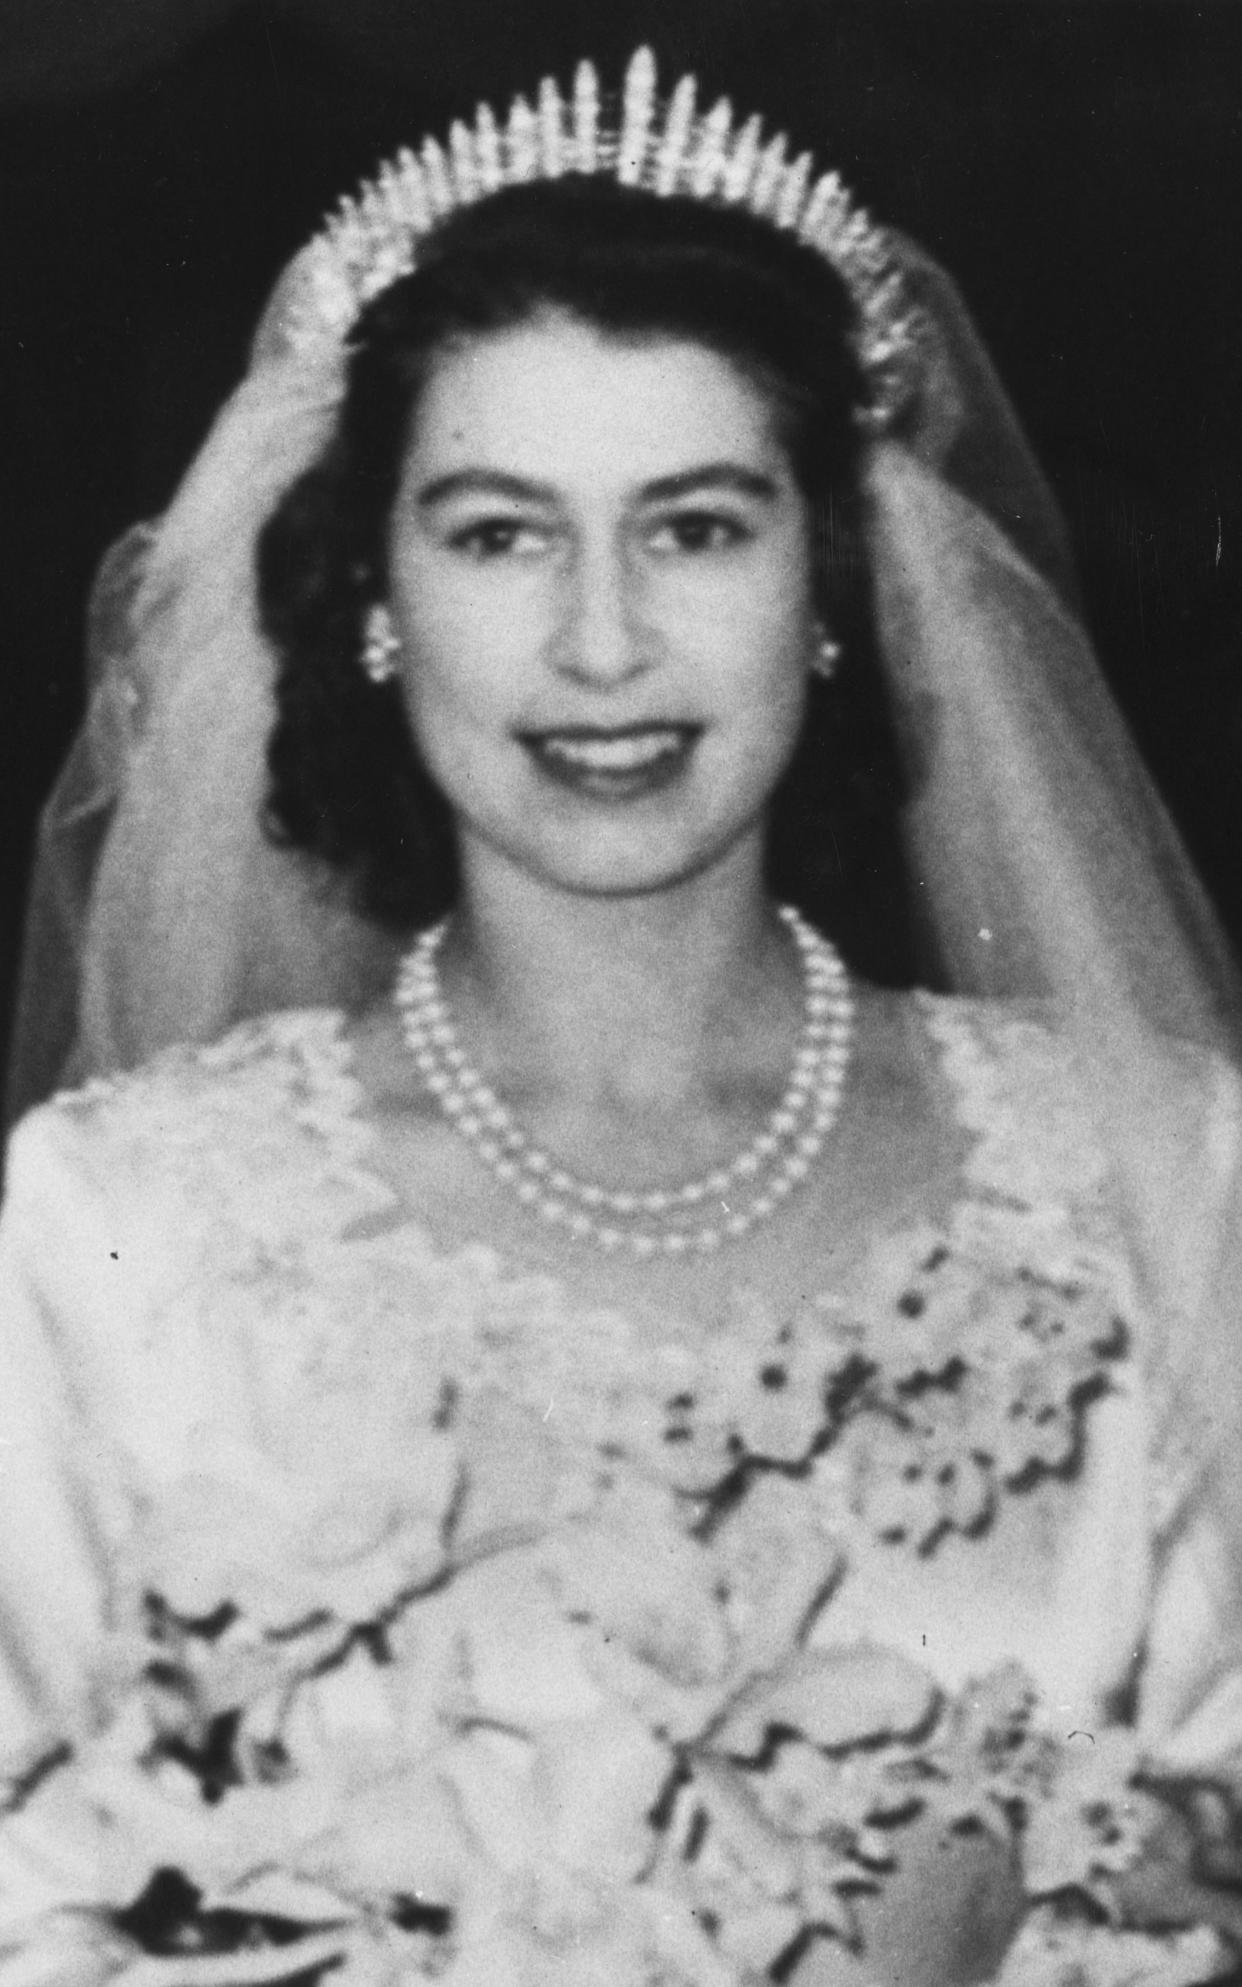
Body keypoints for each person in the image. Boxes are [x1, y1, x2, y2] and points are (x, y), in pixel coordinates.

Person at [1, 48, 1241, 1987]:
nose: (602, 642)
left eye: (698, 526)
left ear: (827, 578)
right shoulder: (104, 1222)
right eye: (500, 531)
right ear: (378, 594)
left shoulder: (1165, 1168)